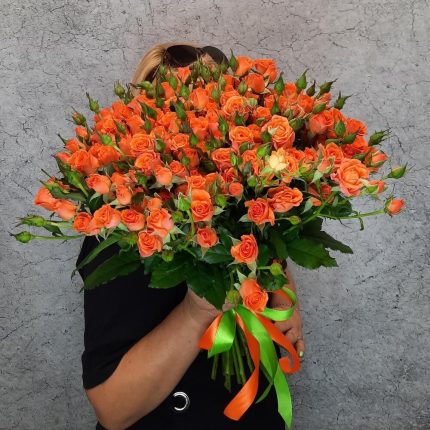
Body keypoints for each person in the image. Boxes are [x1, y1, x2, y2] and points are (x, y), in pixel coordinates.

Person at [76, 42, 306, 430]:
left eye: (222, 108)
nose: (203, 126)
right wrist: (197, 311)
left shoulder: (244, 202)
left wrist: (284, 299)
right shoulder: (117, 236)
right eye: (187, 114)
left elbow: (272, 254)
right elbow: (113, 411)